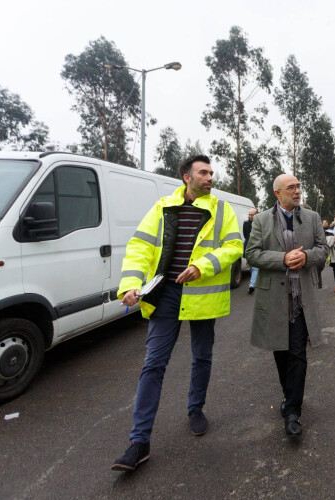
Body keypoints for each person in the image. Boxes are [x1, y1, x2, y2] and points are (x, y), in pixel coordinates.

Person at [112, 155, 243, 471]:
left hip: (201, 294)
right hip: (166, 294)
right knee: (153, 364)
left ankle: (195, 409)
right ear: (187, 177)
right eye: (203, 172)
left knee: (202, 356)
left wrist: (201, 266)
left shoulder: (222, 210)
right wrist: (131, 285)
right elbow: (139, 247)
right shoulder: (162, 208)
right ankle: (138, 442)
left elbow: (234, 247)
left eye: (211, 172)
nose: (210, 176)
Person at [245, 174, 328, 438]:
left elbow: (323, 249)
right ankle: (288, 395)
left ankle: (293, 411)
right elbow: (252, 254)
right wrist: (283, 258)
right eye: (291, 187)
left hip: (301, 298)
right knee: (281, 351)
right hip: (274, 299)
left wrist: (305, 256)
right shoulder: (261, 220)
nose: (297, 191)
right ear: (277, 194)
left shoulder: (312, 217)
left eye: (298, 186)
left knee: (298, 353)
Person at [243, 208, 259, 294]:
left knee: (255, 267)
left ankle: (252, 285)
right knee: (251, 267)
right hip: (247, 247)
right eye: (249, 214)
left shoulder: (260, 223)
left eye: (252, 215)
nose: (250, 216)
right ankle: (255, 281)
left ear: (256, 215)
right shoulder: (246, 223)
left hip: (257, 247)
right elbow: (245, 235)